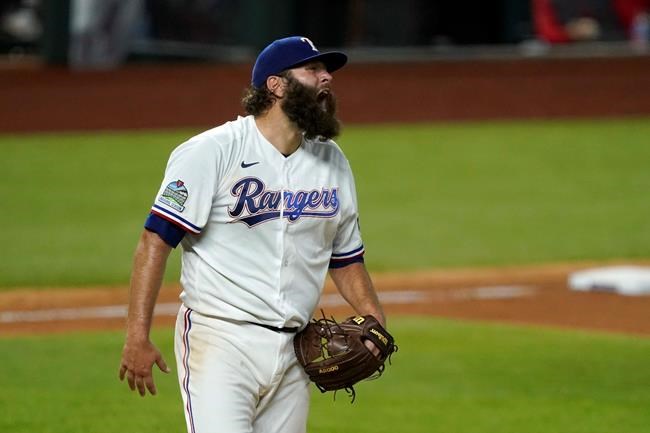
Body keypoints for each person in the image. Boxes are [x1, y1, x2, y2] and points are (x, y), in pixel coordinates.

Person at [118, 36, 387, 433]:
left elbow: (345, 258)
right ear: (276, 86)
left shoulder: (332, 161)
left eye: (326, 70)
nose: (326, 77)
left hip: (296, 349)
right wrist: (136, 336)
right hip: (221, 342)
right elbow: (154, 242)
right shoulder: (211, 151)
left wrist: (375, 319)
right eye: (312, 70)